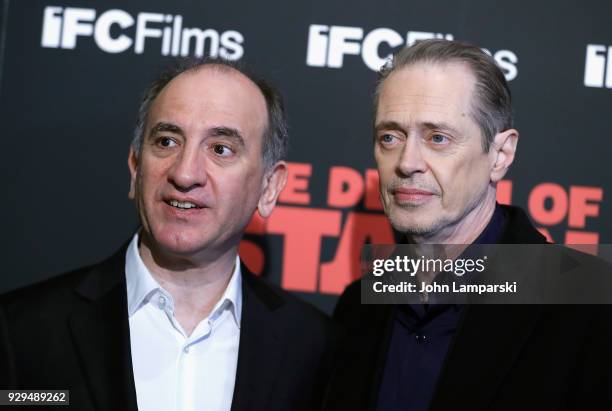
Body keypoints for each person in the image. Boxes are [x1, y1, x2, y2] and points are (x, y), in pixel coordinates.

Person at [0, 58, 334, 411]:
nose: (185, 173)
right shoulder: (21, 332)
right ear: (135, 168)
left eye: (220, 148)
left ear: (270, 187)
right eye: (167, 141)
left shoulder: (315, 347)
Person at [322, 39, 612, 411]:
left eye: (438, 138)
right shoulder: (357, 309)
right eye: (390, 137)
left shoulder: (589, 305)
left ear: (500, 155)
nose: (407, 162)